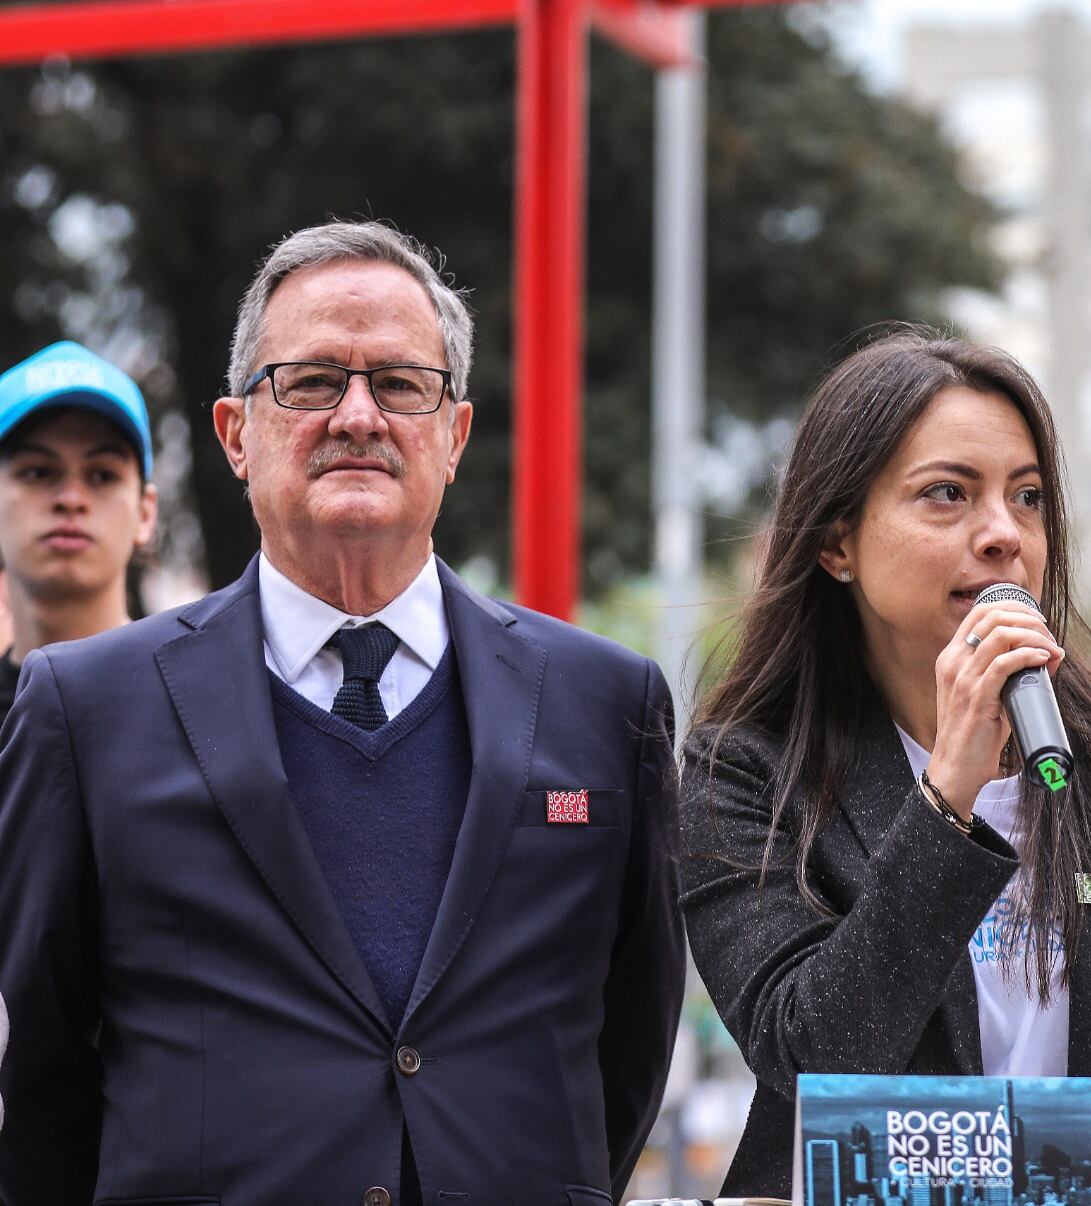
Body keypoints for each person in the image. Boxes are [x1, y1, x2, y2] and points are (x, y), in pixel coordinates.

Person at [0, 221, 683, 1204]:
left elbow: (626, 1047)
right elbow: (39, 1079)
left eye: (401, 384)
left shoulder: (606, 702)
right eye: (313, 380)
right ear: (236, 433)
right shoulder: (86, 707)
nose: (358, 415)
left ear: (454, 434)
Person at [679, 332, 1091, 1206]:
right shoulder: (746, 774)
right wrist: (949, 796)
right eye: (947, 495)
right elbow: (812, 1057)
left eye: (1026, 498)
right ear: (837, 542)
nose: (1002, 535)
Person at [0, 341, 159, 720]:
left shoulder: (206, 703)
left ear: (145, 514)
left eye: (102, 475)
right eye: (38, 472)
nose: (71, 499)